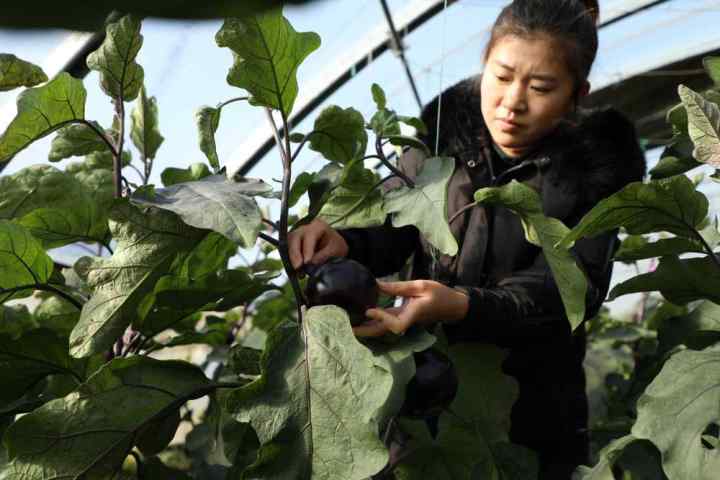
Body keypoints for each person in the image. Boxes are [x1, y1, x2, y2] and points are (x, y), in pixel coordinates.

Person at [289, 0, 646, 477]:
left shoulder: (594, 172)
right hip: (422, 398)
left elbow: (568, 293)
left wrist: (461, 305)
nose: (512, 103)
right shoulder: (439, 140)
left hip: (534, 417)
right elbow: (396, 224)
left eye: (541, 87)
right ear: (483, 67)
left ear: (577, 95)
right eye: (501, 76)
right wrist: (346, 240)